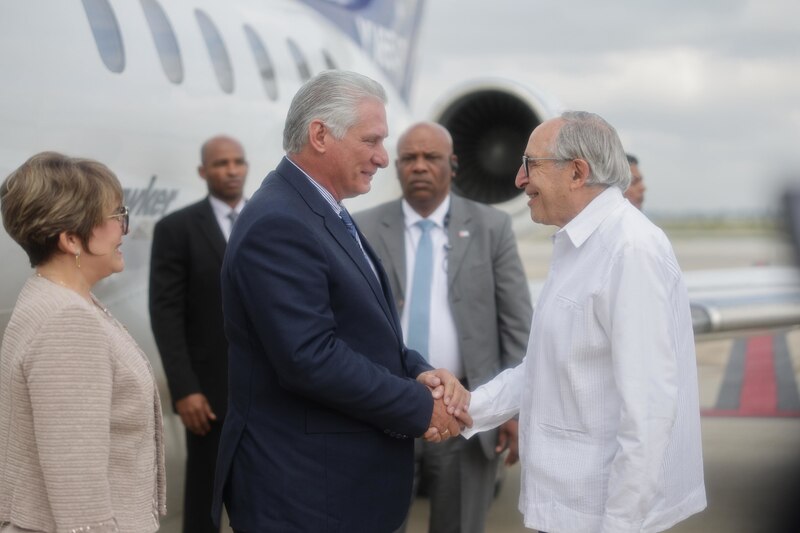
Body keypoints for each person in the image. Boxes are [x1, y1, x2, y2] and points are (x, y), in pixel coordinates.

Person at [211, 71, 470, 532]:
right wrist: (419, 405)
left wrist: (417, 371)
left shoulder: (318, 209)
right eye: (371, 140)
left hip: (334, 492)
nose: (382, 158)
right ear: (320, 135)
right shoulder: (280, 223)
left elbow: (360, 331)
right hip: (305, 496)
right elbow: (310, 357)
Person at [459, 111, 706, 532]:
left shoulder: (630, 250)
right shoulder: (578, 243)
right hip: (563, 510)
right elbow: (544, 369)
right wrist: (466, 408)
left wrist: (620, 526)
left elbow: (649, 411)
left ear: (577, 172)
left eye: (530, 164)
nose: (519, 180)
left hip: (598, 517)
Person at [355, 122, 532, 533]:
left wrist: (511, 408)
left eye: (430, 157)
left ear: (452, 165)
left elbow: (516, 323)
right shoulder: (361, 227)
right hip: (383, 405)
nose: (419, 166)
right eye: (409, 159)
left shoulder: (492, 228)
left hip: (465, 408)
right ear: (395, 167)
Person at [0, 152, 166, 532]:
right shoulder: (67, 322)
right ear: (71, 239)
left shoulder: (46, 297)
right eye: (116, 217)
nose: (124, 229)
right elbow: (79, 493)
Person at [149, 135, 248, 532]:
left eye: (238, 162)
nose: (232, 170)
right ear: (203, 172)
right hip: (208, 395)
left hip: (270, 390)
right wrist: (185, 388)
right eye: (221, 163)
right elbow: (165, 313)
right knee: (204, 502)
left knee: (268, 496)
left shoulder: (267, 221)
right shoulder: (177, 229)